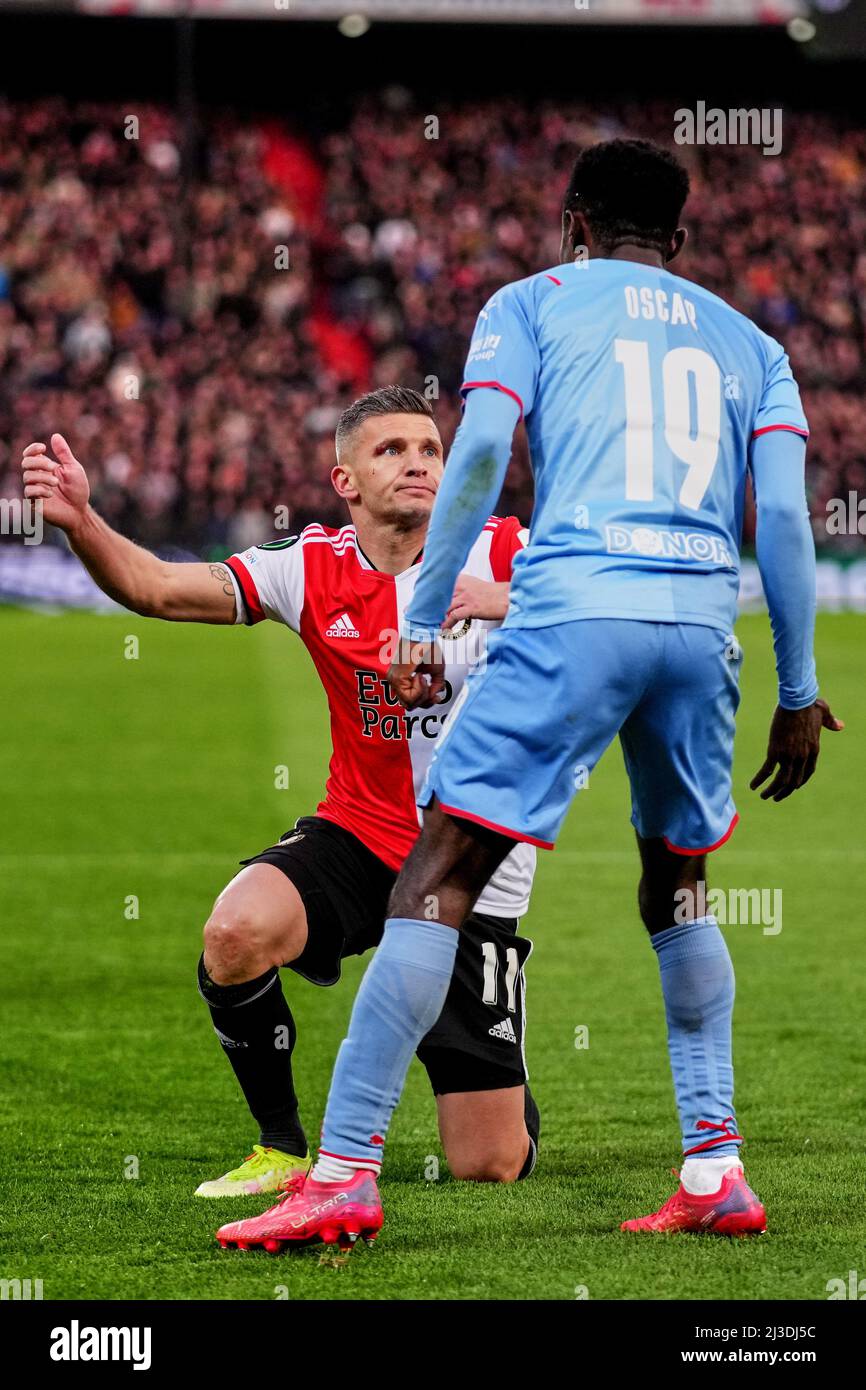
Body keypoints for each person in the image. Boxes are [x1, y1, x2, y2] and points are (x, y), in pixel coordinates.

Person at [215, 139, 842, 1255]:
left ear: (573, 227)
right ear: (682, 243)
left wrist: (416, 625)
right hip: (700, 625)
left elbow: (485, 450)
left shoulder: (530, 301)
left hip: (575, 609)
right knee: (678, 892)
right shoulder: (756, 347)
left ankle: (345, 1172)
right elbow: (786, 525)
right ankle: (713, 1164)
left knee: (435, 871)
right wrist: (796, 690)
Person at [20, 386, 539, 1197]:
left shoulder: (501, 548)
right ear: (346, 481)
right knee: (234, 930)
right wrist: (84, 521)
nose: (417, 465)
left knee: (488, 1164)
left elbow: (609, 603)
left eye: (430, 450)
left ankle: (501, 1087)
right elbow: (156, 587)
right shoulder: (309, 565)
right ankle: (281, 1148)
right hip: (361, 834)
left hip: (473, 860)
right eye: (391, 450)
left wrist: (499, 601)